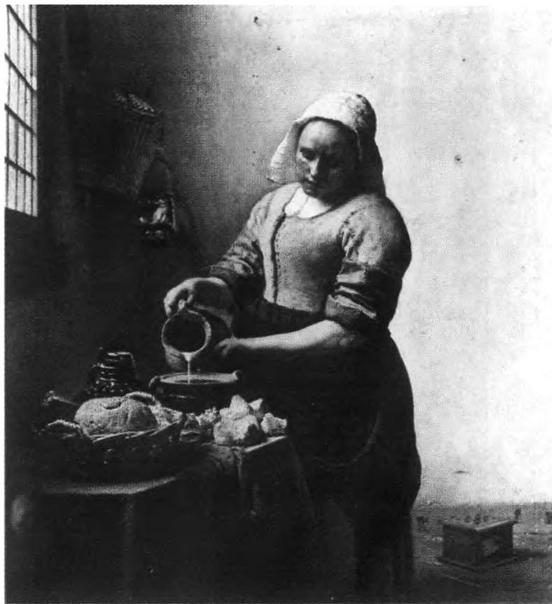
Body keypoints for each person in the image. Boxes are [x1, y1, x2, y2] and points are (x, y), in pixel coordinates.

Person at [164, 92, 421, 596]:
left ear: (358, 160)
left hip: (345, 381)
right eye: (307, 154)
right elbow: (240, 270)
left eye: (333, 160)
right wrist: (204, 286)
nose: (315, 169)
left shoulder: (374, 220)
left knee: (342, 504)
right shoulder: (275, 204)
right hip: (269, 368)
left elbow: (347, 332)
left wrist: (247, 351)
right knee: (259, 491)